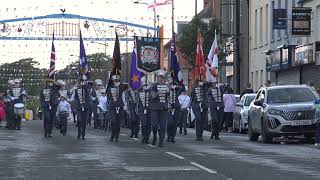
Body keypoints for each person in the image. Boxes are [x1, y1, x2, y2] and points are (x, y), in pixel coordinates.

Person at [149, 70, 170, 147]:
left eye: (162, 77)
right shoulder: (153, 85)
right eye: (160, 77)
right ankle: (154, 136)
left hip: (164, 108)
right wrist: (158, 93)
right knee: (154, 125)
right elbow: (152, 96)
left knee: (163, 126)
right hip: (155, 108)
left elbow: (169, 96)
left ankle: (161, 140)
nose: (161, 79)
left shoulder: (167, 86)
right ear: (157, 78)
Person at [107, 75, 126, 142]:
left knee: (118, 122)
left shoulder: (121, 87)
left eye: (117, 80)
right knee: (113, 121)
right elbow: (108, 93)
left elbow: (125, 86)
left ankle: (117, 136)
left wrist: (119, 84)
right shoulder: (110, 88)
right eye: (115, 81)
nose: (116, 82)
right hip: (112, 107)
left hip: (120, 106)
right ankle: (112, 134)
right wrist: (114, 86)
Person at [137, 79, 151, 144]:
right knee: (144, 124)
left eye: (146, 85)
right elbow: (137, 102)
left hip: (150, 110)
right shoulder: (139, 92)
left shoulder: (151, 93)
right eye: (144, 85)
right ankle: (144, 136)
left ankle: (147, 137)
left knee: (149, 124)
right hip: (142, 110)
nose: (145, 86)